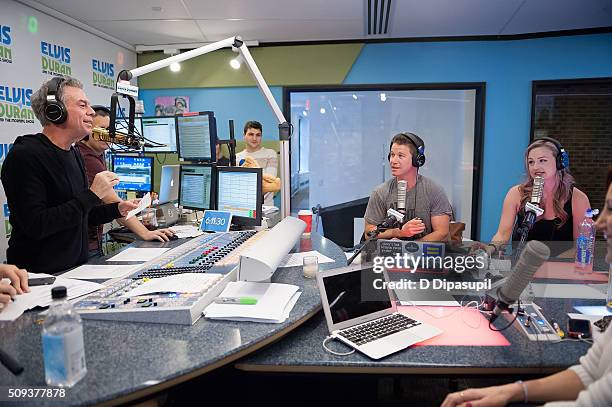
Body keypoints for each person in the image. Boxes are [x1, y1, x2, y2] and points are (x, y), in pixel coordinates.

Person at [441, 168, 612, 407]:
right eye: (531, 161)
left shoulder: (577, 198)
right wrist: (512, 391)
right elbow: (589, 373)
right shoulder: (519, 195)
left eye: (611, 209)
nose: (599, 223)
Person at [0, 77, 138, 275]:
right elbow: (37, 225)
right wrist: (93, 194)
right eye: (83, 105)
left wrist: (117, 209)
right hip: (40, 278)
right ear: (55, 112)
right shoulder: (25, 155)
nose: (91, 111)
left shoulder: (73, 153)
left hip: (76, 272)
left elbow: (82, 215)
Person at [77, 106, 174, 257]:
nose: (107, 135)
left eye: (109, 130)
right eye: (101, 130)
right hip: (87, 245)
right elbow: (114, 205)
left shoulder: (96, 154)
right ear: (88, 131)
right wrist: (146, 233)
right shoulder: (88, 159)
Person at [482, 137, 590, 257]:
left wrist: (547, 266)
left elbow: (581, 248)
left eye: (542, 160)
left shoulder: (578, 199)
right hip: (522, 269)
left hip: (561, 270)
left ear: (560, 162)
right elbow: (502, 235)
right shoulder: (516, 194)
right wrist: (489, 250)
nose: (535, 167)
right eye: (531, 162)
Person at [364, 132, 452, 241]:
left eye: (400, 156)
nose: (393, 161)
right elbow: (368, 234)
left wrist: (410, 248)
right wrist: (399, 232)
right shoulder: (380, 192)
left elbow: (441, 232)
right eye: (392, 155)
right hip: (390, 256)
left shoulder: (434, 191)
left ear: (417, 160)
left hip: (424, 255)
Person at [236, 121, 278, 206]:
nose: (254, 138)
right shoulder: (237, 157)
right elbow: (237, 186)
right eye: (251, 134)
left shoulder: (270, 154)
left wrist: (253, 167)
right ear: (244, 136)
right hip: (243, 206)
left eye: (258, 135)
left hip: (266, 207)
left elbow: (269, 182)